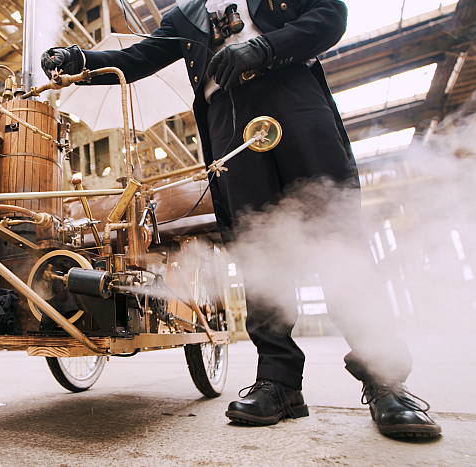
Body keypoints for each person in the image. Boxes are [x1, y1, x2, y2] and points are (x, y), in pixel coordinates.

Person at [41, 0, 440, 438]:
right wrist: (80, 59)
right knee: (257, 250)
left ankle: (385, 379)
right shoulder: (183, 16)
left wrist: (264, 48)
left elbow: (330, 14)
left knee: (334, 235)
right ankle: (279, 382)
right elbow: (134, 58)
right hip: (227, 119)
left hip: (292, 93)